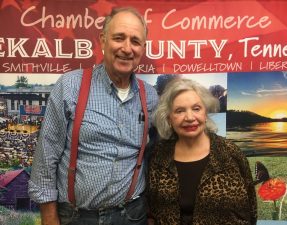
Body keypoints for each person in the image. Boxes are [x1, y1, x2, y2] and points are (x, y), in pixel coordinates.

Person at [28, 7, 158, 225]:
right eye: (119, 38)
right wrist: (49, 217)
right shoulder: (70, 86)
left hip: (133, 215)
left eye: (135, 41)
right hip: (78, 217)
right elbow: (46, 155)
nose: (127, 48)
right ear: (103, 40)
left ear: (143, 48)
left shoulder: (150, 96)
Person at [147, 79, 257, 225]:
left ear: (206, 113)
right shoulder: (159, 156)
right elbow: (152, 212)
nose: (190, 117)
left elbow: (251, 208)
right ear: (169, 119)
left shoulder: (230, 153)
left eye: (196, 108)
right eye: (180, 111)